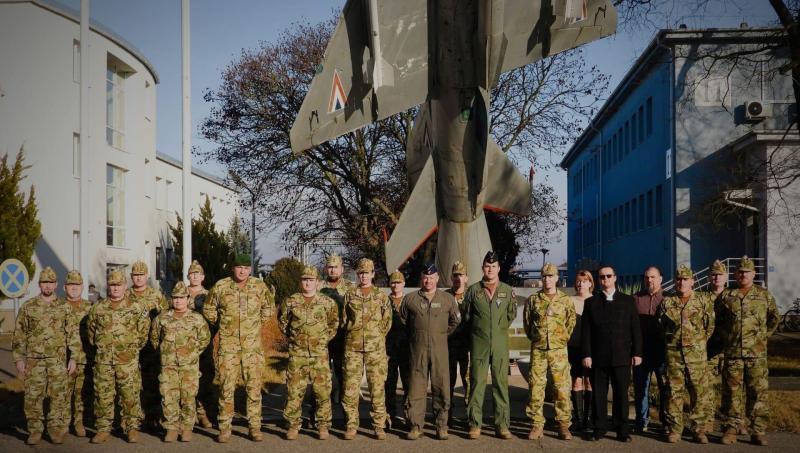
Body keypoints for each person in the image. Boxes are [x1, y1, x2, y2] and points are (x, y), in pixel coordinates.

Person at [203, 253, 275, 443]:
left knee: (253, 388)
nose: (242, 271)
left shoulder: (259, 286)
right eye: (239, 267)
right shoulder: (221, 286)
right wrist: (222, 324)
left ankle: (254, 427)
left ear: (250, 269)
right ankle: (225, 428)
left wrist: (254, 325)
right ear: (232, 268)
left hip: (252, 347)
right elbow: (209, 309)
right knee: (226, 387)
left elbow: (268, 308)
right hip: (228, 347)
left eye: (246, 267)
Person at [717, 256, 779, 446]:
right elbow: (718, 321)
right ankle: (731, 427)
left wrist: (761, 339)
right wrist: (727, 338)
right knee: (732, 393)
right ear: (735, 274)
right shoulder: (727, 295)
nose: (743, 274)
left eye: (747, 272)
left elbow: (774, 318)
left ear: (753, 274)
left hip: (756, 355)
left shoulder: (764, 295)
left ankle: (757, 430)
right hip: (733, 353)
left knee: (757, 393)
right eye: (740, 271)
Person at [13, 267, 78, 445]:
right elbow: (19, 334)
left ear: (56, 284)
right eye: (44, 282)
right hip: (35, 361)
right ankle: (35, 430)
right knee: (33, 396)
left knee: (58, 396)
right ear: (39, 284)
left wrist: (73, 358)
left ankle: (55, 430)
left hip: (58, 361)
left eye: (51, 282)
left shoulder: (64, 307)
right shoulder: (29, 307)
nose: (47, 286)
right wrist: (19, 359)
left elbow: (73, 334)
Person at [87, 269, 151, 444]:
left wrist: (131, 349)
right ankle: (103, 429)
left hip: (128, 361)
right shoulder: (98, 308)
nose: (115, 289)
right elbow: (91, 334)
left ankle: (131, 428)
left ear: (125, 286)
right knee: (103, 395)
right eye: (112, 285)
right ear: (108, 286)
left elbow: (144, 332)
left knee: (129, 394)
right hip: (104, 361)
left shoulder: (136, 308)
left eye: (118, 285)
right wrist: (104, 348)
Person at [581, 264, 642, 442]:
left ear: (615, 278)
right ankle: (599, 428)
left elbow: (635, 329)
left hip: (622, 357)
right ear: (598, 280)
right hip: (598, 358)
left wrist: (637, 352)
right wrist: (586, 354)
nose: (605, 279)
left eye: (608, 276)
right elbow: (586, 332)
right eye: (601, 277)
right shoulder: (591, 303)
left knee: (621, 395)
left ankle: (622, 429)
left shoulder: (628, 301)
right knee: (599, 395)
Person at [400, 264, 461, 440]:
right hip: (417, 350)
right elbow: (404, 320)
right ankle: (415, 426)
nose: (428, 280)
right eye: (425, 277)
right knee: (416, 389)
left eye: (432, 277)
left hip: (439, 350)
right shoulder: (410, 299)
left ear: (437, 279)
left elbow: (455, 321)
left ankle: (441, 426)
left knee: (440, 386)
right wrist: (417, 336)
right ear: (422, 279)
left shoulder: (447, 299)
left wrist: (440, 335)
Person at [279, 266, 339, 440]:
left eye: (311, 280)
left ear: (317, 282)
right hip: (297, 354)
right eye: (305, 279)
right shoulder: (291, 301)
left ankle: (323, 425)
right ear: (300, 281)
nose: (307, 282)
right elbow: (283, 322)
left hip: (319, 354)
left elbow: (334, 323)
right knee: (294, 391)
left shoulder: (327, 302)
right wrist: (295, 338)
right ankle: (293, 425)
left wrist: (322, 340)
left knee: (322, 391)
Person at [463, 251, 518, 440]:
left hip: (500, 345)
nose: (490, 269)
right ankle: (474, 424)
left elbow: (511, 315)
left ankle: (502, 425)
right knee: (477, 384)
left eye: (494, 266)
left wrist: (498, 330)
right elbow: (467, 316)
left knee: (501, 385)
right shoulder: (473, 291)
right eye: (487, 266)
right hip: (479, 344)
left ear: (499, 268)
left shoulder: (507, 290)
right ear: (483, 268)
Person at [658, 265, 715, 444]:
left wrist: (697, 344)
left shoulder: (703, 301)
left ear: (692, 281)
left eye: (685, 279)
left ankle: (698, 429)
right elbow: (661, 327)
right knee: (674, 393)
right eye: (679, 279)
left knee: (699, 393)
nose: (682, 282)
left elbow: (710, 326)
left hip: (696, 357)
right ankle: (675, 429)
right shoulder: (667, 302)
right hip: (674, 355)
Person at [150, 282, 211, 443]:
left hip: (189, 366)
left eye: (181, 298)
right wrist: (165, 353)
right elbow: (155, 338)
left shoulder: (196, 319)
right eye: (175, 298)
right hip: (168, 366)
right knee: (169, 396)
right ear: (171, 299)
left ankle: (186, 428)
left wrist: (192, 353)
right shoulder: (162, 318)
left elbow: (205, 338)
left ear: (187, 299)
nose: (178, 301)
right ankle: (171, 428)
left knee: (188, 397)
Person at [341, 258, 392, 440]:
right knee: (350, 389)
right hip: (353, 348)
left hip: (375, 349)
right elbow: (344, 320)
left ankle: (378, 426)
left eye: (367, 272)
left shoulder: (381, 296)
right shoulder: (350, 295)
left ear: (372, 274)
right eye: (361, 272)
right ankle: (351, 425)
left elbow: (387, 321)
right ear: (358, 274)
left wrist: (375, 336)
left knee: (377, 388)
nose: (363, 276)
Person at [524, 263, 576, 441]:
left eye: (550, 276)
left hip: (559, 351)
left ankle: (563, 425)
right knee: (536, 388)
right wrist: (537, 338)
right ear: (542, 278)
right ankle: (537, 425)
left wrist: (561, 339)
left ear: (556, 278)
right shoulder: (533, 300)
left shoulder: (565, 300)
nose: (547, 279)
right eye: (544, 276)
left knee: (561, 388)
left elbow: (571, 323)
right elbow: (528, 324)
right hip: (538, 350)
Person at [127, 260, 169, 432]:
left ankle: (152, 418)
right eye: (135, 275)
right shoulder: (126, 294)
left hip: (151, 348)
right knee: (131, 384)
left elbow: (165, 318)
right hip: (130, 346)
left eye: (141, 275)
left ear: (147, 276)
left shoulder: (156, 295)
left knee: (152, 383)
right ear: (131, 277)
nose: (138, 278)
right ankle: (132, 419)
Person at [632, 266, 668, 433]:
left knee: (666, 389)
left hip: (663, 352)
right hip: (642, 351)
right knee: (641, 389)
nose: (650, 280)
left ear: (660, 278)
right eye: (647, 277)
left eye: (653, 277)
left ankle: (666, 421)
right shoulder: (636, 298)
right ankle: (641, 421)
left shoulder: (669, 298)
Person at [319, 254, 355, 406]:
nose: (333, 270)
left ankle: (344, 402)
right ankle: (322, 404)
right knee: (321, 373)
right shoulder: (318, 286)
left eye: (336, 267)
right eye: (330, 267)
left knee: (343, 371)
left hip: (342, 336)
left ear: (342, 269)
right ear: (326, 269)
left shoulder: (350, 288)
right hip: (323, 337)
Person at [63, 270, 93, 438]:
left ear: (82, 287)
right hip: (64, 359)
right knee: (63, 393)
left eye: (77, 285)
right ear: (65, 287)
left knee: (82, 393)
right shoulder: (58, 307)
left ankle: (79, 422)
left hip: (85, 358)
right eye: (71, 285)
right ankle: (63, 423)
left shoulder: (90, 308)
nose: (74, 288)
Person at [186, 260, 214, 429]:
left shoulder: (209, 295)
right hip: (185, 346)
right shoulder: (180, 294)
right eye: (192, 273)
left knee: (205, 381)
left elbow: (215, 318)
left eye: (198, 274)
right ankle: (188, 415)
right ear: (188, 276)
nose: (195, 276)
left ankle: (203, 414)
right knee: (187, 380)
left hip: (204, 345)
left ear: (203, 277)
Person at [445, 261, 470, 426]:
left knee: (469, 381)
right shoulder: (445, 296)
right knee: (449, 382)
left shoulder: (472, 295)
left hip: (467, 346)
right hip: (449, 346)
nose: (457, 278)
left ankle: (470, 416)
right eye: (455, 275)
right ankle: (448, 416)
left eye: (460, 275)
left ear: (466, 278)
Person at [568, 270, 593, 432]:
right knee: (576, 381)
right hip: (574, 347)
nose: (581, 284)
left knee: (589, 382)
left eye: (584, 281)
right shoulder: (569, 301)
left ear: (590, 283)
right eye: (578, 281)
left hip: (592, 348)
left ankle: (588, 418)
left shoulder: (597, 300)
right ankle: (577, 418)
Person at [385, 270, 410, 427]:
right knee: (389, 385)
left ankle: (408, 416)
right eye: (393, 282)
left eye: (398, 282)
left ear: (403, 284)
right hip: (389, 349)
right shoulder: (384, 301)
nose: (396, 285)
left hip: (406, 349)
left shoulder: (410, 301)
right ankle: (389, 417)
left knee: (408, 384)